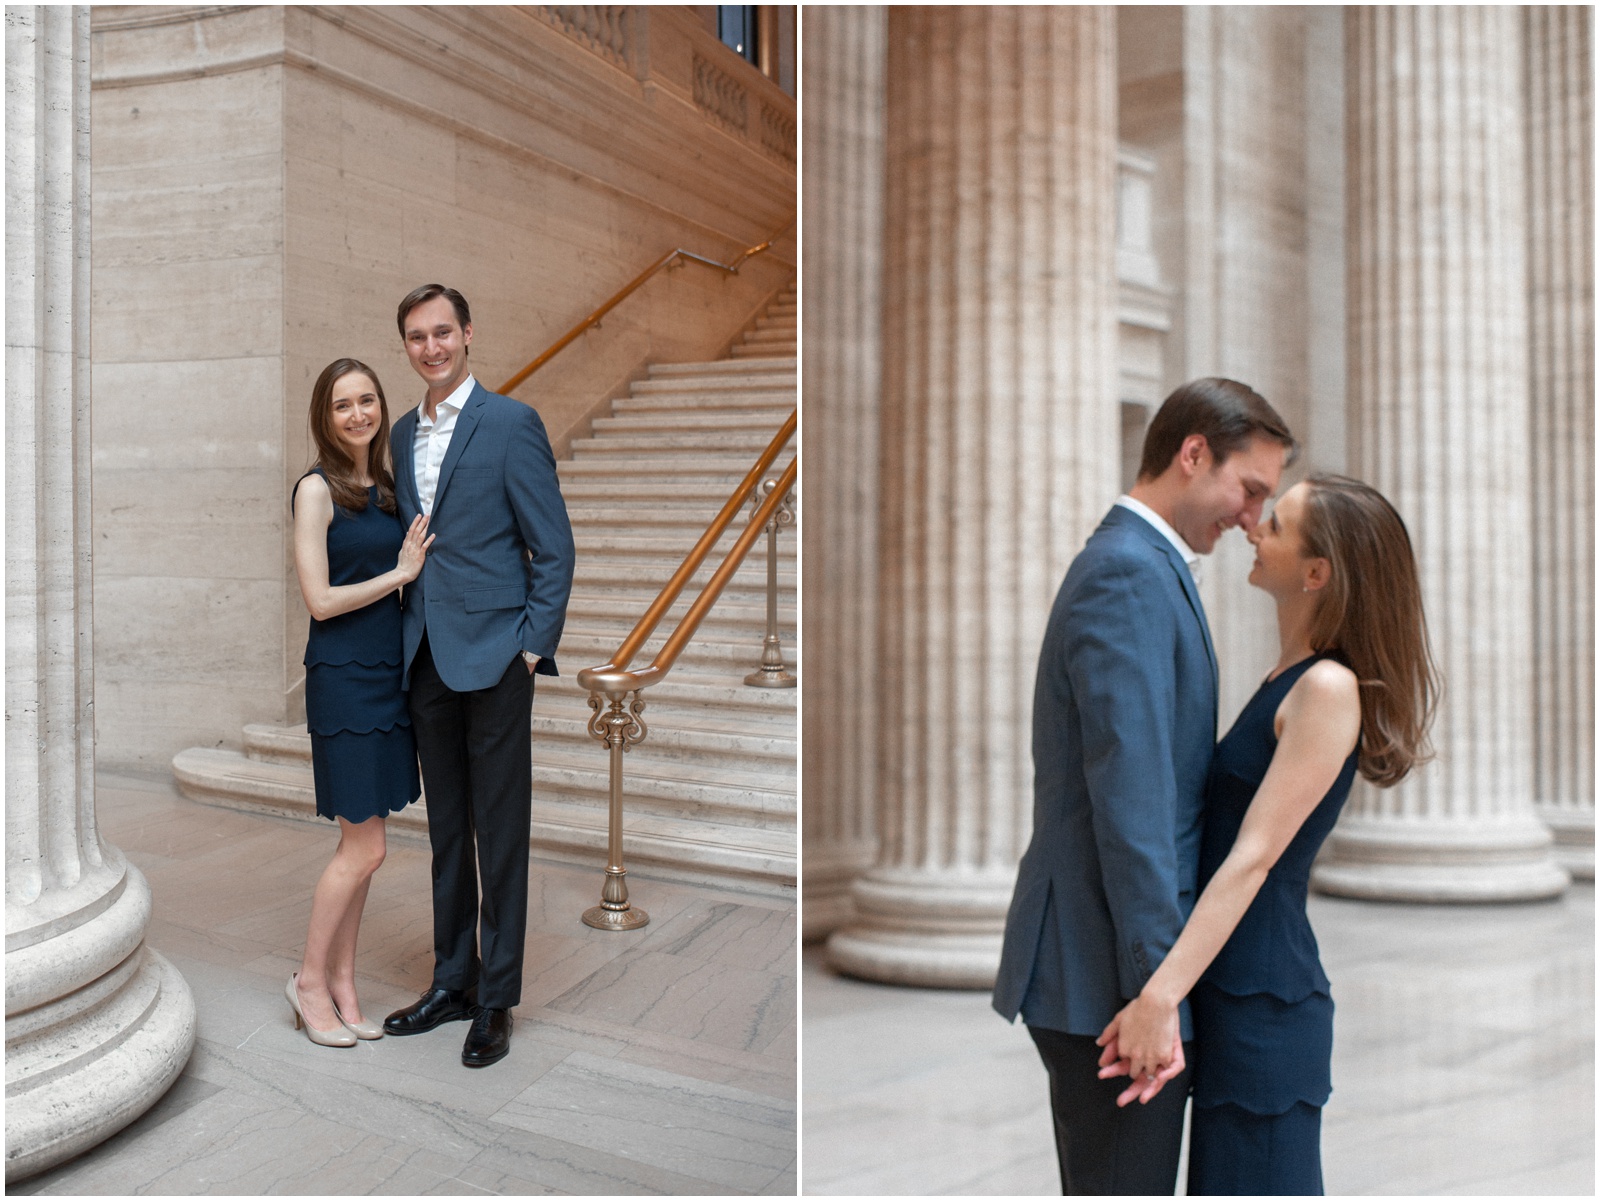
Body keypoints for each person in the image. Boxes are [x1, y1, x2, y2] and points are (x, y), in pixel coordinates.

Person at [992, 378, 1296, 1194]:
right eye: (1250, 489)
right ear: (1193, 453)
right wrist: (1155, 992)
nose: (1250, 517)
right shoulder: (1127, 572)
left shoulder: (1150, 563)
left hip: (1118, 969)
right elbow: (1134, 809)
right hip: (1106, 981)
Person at [1096, 474, 1439, 1196]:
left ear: (1318, 573)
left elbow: (1251, 861)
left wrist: (1158, 997)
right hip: (1234, 994)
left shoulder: (1327, 689)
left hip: (1266, 1008)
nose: (1255, 526)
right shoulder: (1288, 676)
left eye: (1276, 523)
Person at [381, 284, 575, 1068]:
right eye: (417, 337)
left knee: (499, 836)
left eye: (442, 332)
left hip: (495, 657)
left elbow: (553, 546)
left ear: (468, 334)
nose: (431, 347)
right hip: (425, 652)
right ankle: (451, 979)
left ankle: (495, 999)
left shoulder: (510, 423)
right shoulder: (400, 434)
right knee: (446, 834)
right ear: (408, 346)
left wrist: (530, 646)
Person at [286, 358, 431, 1047]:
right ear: (325, 414)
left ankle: (343, 981)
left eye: (366, 400)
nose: (357, 414)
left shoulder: (388, 489)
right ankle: (308, 981)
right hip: (343, 676)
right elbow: (318, 599)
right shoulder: (316, 489)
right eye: (341, 404)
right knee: (362, 845)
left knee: (367, 846)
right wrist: (397, 574)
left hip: (388, 675)